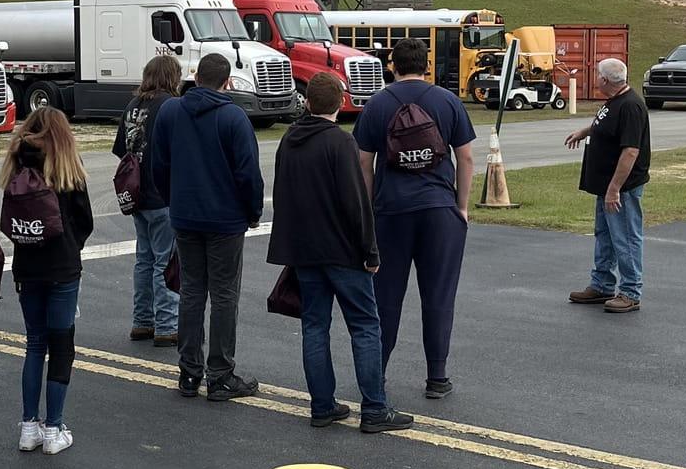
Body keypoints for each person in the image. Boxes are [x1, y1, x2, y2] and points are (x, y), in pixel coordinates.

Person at [268, 71, 410, 434]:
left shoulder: (290, 140)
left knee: (315, 326)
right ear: (339, 103)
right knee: (364, 325)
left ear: (309, 102)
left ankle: (322, 404)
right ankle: (374, 407)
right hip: (343, 250)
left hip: (305, 250)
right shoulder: (340, 143)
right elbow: (356, 202)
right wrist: (371, 250)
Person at [353, 37, 474, 402]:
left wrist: (371, 207)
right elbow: (466, 158)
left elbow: (363, 162)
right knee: (438, 294)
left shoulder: (377, 104)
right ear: (427, 65)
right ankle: (437, 376)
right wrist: (462, 206)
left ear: (392, 66)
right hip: (439, 210)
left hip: (391, 211)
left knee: (386, 297)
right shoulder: (447, 101)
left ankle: (379, 374)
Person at [150, 52, 264, 402]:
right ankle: (220, 373)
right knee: (224, 294)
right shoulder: (234, 117)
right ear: (227, 82)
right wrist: (253, 211)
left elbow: (158, 162)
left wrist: (174, 199)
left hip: (185, 214)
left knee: (192, 291)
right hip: (225, 218)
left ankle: (189, 371)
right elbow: (248, 173)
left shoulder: (171, 111)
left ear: (196, 77)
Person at [0, 107, 94, 454]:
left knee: (34, 345)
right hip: (62, 267)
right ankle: (54, 428)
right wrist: (72, 245)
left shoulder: (17, 163)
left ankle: (29, 425)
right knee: (61, 347)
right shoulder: (67, 167)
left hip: (28, 265)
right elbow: (85, 221)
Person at [565, 56, 650, 313]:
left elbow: (630, 152)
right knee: (605, 236)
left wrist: (614, 189)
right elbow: (608, 127)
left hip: (620, 188)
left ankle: (630, 291)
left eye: (597, 75)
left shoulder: (631, 106)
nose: (594, 78)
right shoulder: (615, 101)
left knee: (624, 238)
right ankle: (601, 284)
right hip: (605, 186)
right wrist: (586, 131)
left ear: (604, 80)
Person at [112, 54, 180, 348]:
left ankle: (142, 322)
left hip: (137, 192)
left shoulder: (132, 106)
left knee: (144, 259)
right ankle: (167, 325)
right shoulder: (171, 106)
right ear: (171, 77)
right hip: (163, 193)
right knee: (165, 261)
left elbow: (120, 149)